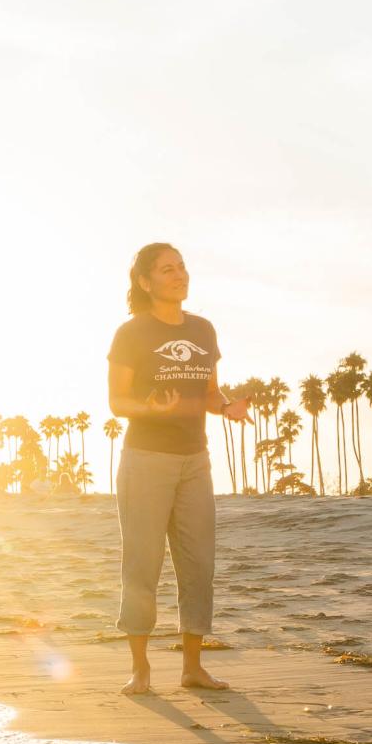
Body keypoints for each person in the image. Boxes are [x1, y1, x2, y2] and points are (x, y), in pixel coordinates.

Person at [107, 243, 249, 696]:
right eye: (168, 269)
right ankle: (140, 669)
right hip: (145, 460)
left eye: (182, 267)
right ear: (146, 282)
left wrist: (227, 406)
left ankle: (193, 668)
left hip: (195, 460)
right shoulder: (131, 333)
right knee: (143, 565)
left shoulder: (203, 330)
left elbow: (209, 392)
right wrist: (149, 407)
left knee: (198, 564)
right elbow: (116, 402)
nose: (179, 275)